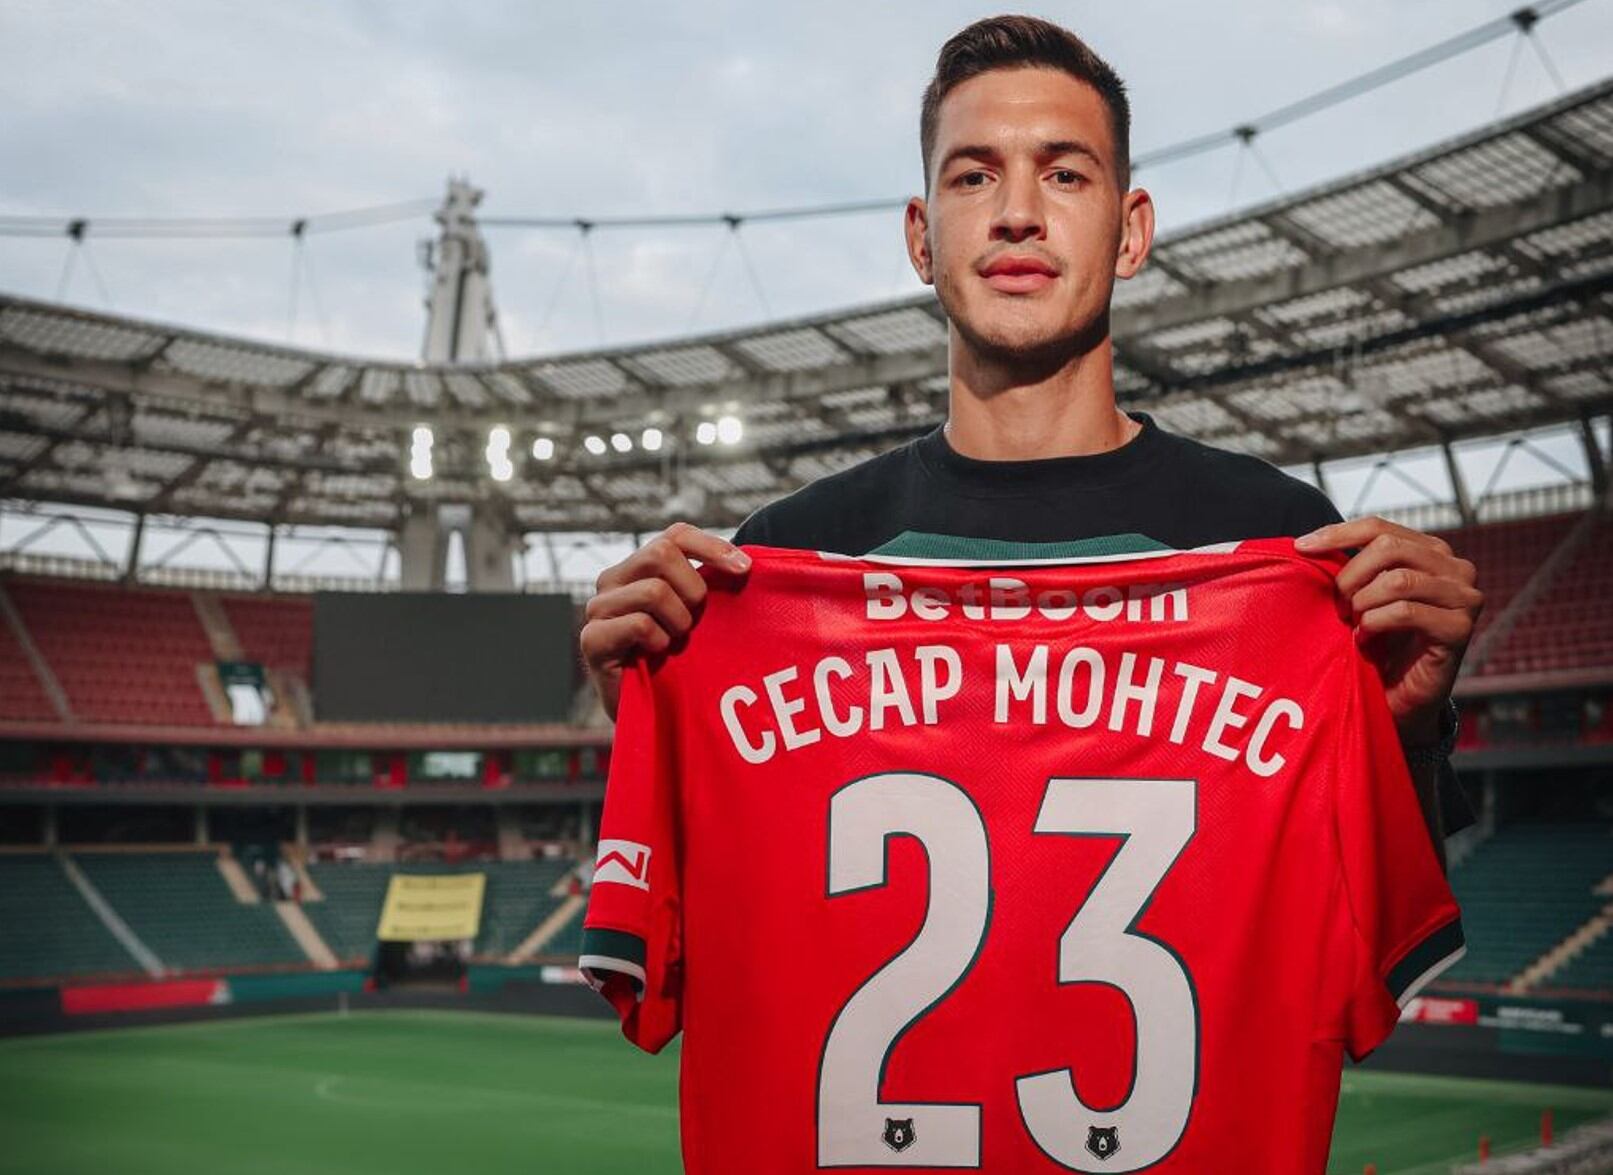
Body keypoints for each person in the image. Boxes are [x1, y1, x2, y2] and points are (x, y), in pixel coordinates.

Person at [579, 14, 1481, 863]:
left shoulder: (1280, 538)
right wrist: (660, 727)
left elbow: (1373, 929)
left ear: (1130, 233)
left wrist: (1403, 733)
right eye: (973, 176)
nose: (1017, 212)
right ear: (921, 237)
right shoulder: (785, 557)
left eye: (1064, 175)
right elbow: (733, 911)